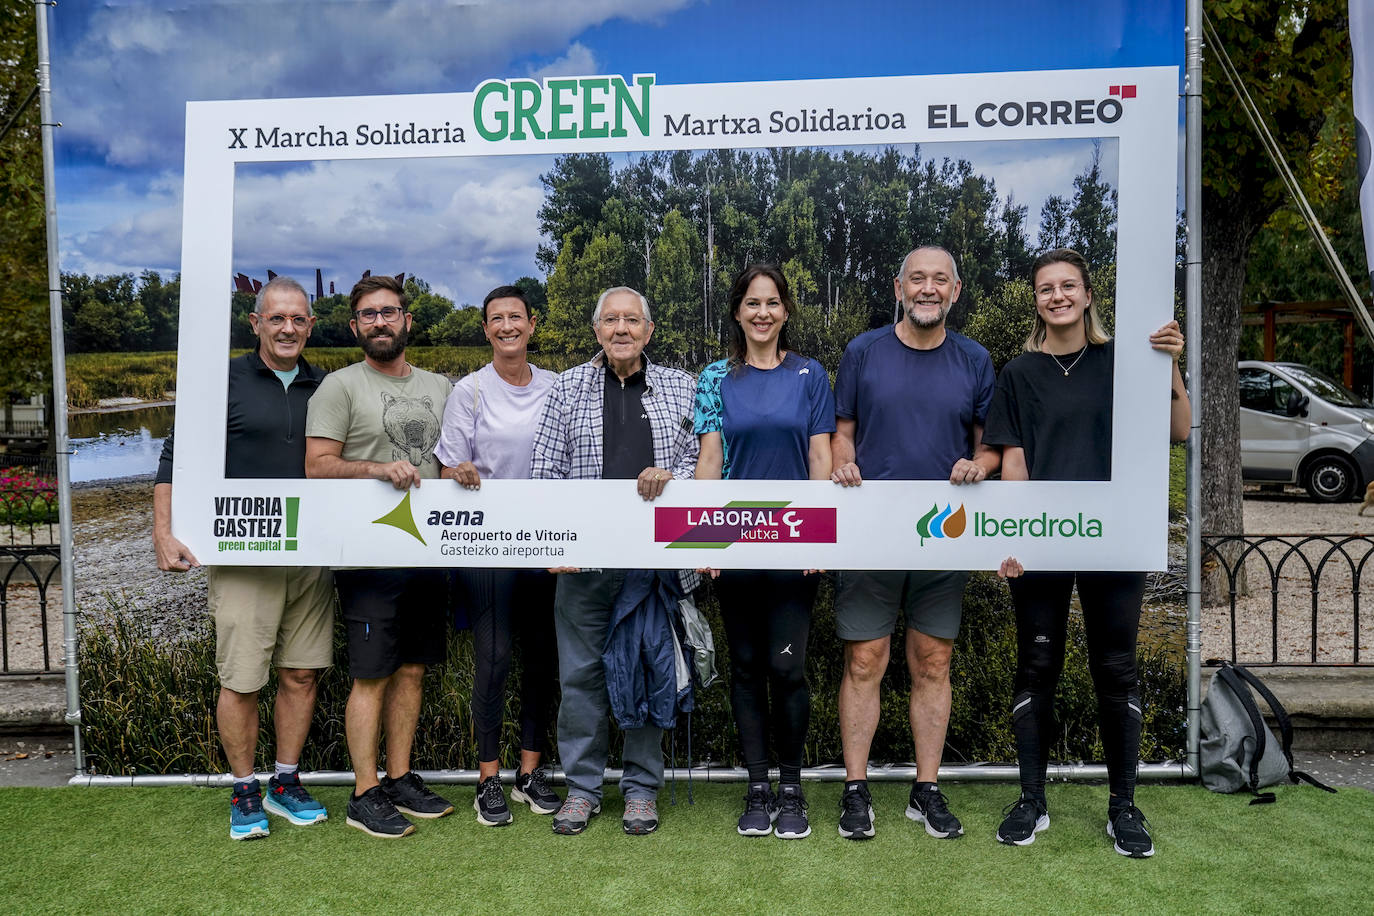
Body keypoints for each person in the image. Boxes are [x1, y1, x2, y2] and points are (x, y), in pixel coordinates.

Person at [986, 248, 1189, 858]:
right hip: (1042, 536)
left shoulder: (1124, 361)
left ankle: (1124, 806)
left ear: (1088, 293)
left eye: (1068, 285)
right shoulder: (1018, 373)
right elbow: (1014, 463)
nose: (1057, 296)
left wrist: (1171, 367)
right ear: (1037, 299)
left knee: (1116, 669)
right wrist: (1011, 538)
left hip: (1114, 537)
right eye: (1046, 288)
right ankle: (1031, 800)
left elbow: (1178, 429)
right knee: (1037, 668)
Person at [152, 275, 333, 841]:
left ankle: (284, 781)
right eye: (276, 318)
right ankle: (244, 789)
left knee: (301, 672)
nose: (287, 328)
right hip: (243, 551)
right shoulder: (222, 379)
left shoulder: (324, 386)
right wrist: (164, 532)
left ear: (310, 324)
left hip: (310, 552)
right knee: (243, 677)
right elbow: (174, 458)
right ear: (254, 323)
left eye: (298, 319)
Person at [830, 246, 999, 841]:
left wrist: (979, 467)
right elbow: (841, 435)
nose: (928, 289)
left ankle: (925, 790)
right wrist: (845, 466)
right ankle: (855, 790)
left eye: (940, 280)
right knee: (864, 660)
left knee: (934, 662)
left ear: (956, 291)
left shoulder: (976, 360)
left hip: (941, 534)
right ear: (898, 287)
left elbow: (990, 446)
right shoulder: (863, 352)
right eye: (917, 279)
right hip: (870, 536)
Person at [530, 286, 699, 837]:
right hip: (583, 567)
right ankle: (581, 789)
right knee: (581, 678)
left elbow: (701, 467)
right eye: (611, 320)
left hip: (653, 568)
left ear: (649, 332)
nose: (622, 329)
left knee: (648, 670)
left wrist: (671, 478)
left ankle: (641, 790)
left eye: (632, 320)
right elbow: (544, 474)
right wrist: (553, 547)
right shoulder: (568, 388)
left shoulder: (680, 386)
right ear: (597, 330)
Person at [304, 274, 455, 839]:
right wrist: (376, 469)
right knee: (372, 675)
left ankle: (399, 777)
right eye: (369, 315)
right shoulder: (340, 387)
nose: (381, 322)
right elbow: (317, 464)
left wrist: (466, 470)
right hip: (367, 553)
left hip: (428, 548)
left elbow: (454, 454)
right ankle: (363, 792)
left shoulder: (441, 385)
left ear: (407, 320)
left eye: (389, 312)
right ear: (355, 327)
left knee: (412, 669)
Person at [693, 265, 834, 840]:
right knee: (747, 669)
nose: (762, 313)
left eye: (772, 303)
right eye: (752, 303)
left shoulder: (810, 375)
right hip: (734, 545)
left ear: (785, 311)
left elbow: (821, 460)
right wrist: (705, 541)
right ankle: (757, 788)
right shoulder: (715, 378)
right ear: (737, 312)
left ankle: (793, 789)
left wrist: (823, 537)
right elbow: (708, 461)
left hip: (797, 545)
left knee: (786, 666)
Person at [434, 285, 561, 826]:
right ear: (486, 330)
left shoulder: (560, 387)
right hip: (487, 541)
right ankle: (489, 777)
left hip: (550, 539)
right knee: (495, 656)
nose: (507, 326)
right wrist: (456, 473)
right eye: (496, 319)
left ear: (532, 326)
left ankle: (530, 773)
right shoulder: (468, 391)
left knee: (544, 658)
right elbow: (447, 468)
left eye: (516, 318)